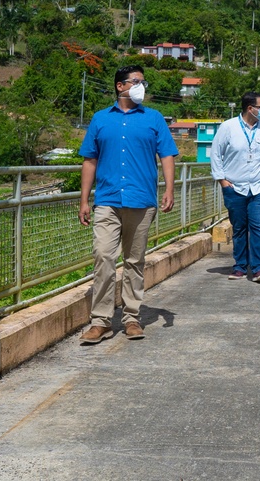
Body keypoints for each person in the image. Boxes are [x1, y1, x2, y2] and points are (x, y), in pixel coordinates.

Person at [78, 65, 179, 344]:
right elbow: (89, 160)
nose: (141, 87)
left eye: (143, 82)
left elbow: (167, 155)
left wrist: (169, 188)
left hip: (141, 199)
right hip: (107, 200)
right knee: (103, 257)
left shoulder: (154, 118)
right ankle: (101, 321)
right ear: (120, 86)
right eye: (136, 82)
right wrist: (84, 199)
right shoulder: (100, 119)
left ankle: (132, 317)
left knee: (134, 261)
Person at [210, 91, 260, 282]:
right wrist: (222, 181)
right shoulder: (228, 127)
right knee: (240, 227)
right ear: (250, 109)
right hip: (235, 187)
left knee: (259, 226)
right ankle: (240, 266)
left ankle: (259, 268)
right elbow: (216, 154)